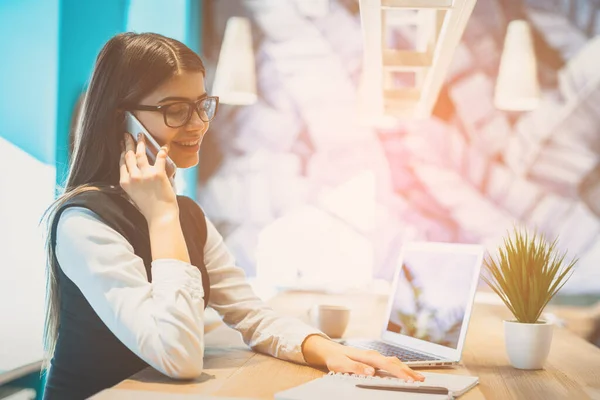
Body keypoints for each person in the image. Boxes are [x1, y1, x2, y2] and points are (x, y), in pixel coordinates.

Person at [41, 32, 424, 399]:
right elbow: (179, 356)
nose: (198, 124)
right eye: (175, 110)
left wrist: (324, 350)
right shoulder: (84, 223)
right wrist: (160, 215)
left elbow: (250, 313)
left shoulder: (185, 214)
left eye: (202, 105)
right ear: (121, 120)